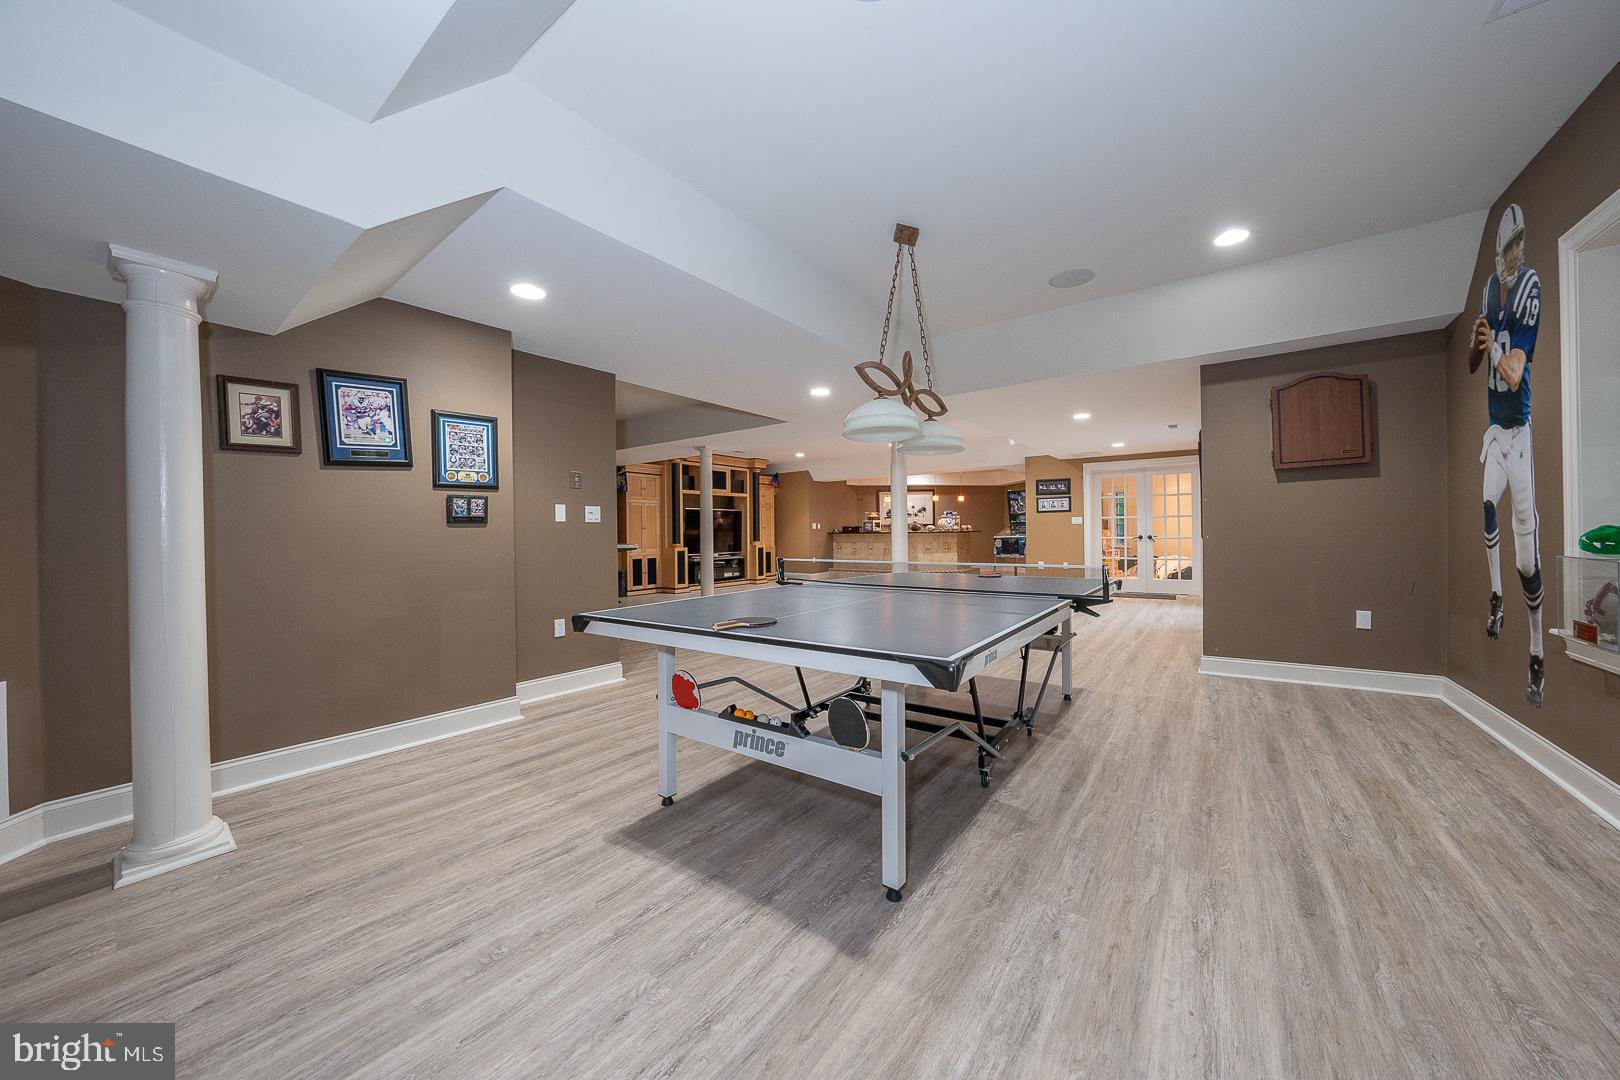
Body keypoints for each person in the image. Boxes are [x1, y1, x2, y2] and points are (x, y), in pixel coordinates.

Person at [1471, 203, 1544, 706]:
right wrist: (1477, 344)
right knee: (1485, 501)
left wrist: (1495, 350)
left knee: (1526, 557)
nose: (1515, 252)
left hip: (1519, 432)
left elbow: (1514, 374)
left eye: (1519, 243)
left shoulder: (1529, 289)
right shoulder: (1487, 292)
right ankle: (1496, 595)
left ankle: (1536, 649)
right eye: (1510, 244)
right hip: (1496, 430)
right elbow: (1472, 363)